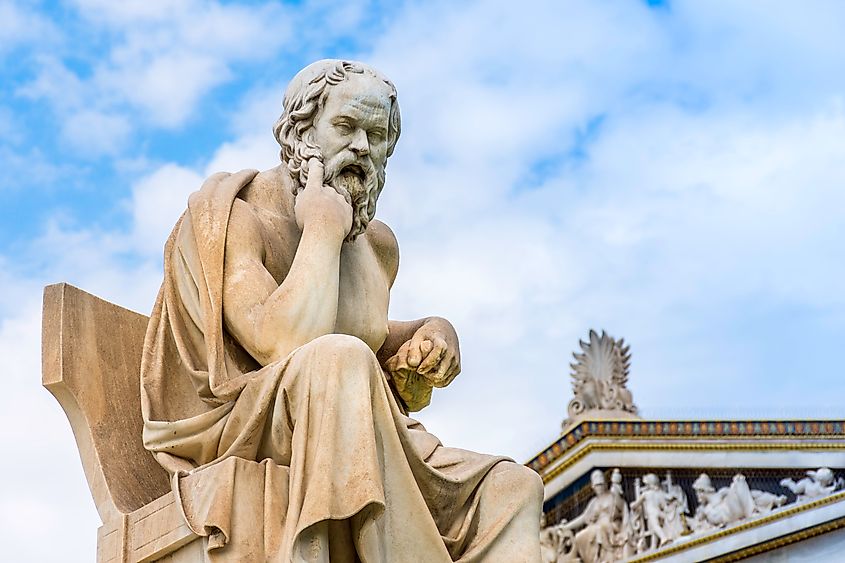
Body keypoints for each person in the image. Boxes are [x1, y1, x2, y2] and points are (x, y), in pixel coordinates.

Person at [140, 59, 543, 562]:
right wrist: (322, 231)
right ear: (300, 130)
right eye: (346, 127)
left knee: (511, 487)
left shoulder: (376, 245)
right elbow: (284, 342)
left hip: (354, 424)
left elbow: (365, 335)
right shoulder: (233, 219)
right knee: (338, 359)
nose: (361, 149)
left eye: (376, 136)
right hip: (243, 424)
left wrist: (431, 332)